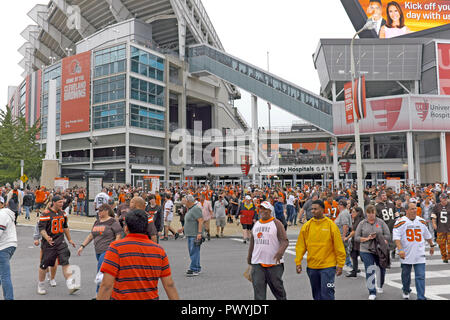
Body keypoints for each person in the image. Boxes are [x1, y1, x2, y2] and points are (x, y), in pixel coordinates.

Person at [97, 209, 179, 300]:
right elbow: (169, 284)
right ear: (146, 227)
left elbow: (106, 285)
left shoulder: (116, 248)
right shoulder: (159, 251)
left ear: (126, 228)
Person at [295, 200, 346, 300]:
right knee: (316, 294)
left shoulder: (331, 225)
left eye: (315, 209)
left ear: (322, 210)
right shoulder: (307, 226)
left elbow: (338, 246)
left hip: (328, 267)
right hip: (312, 267)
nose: (313, 211)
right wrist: (298, 261)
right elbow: (301, 245)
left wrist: (340, 264)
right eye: (312, 209)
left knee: (327, 293)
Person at [37, 195, 80, 295]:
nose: (62, 204)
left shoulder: (63, 213)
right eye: (60, 202)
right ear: (54, 202)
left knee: (65, 262)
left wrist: (70, 239)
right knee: (44, 265)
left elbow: (65, 227)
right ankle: (41, 285)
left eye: (63, 202)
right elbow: (41, 229)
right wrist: (47, 237)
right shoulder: (46, 214)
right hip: (49, 243)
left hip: (61, 242)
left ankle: (70, 284)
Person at [247, 201, 289, 300]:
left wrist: (280, 252)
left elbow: (284, 241)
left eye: (264, 208)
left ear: (270, 210)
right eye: (260, 208)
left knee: (278, 290)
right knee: (259, 293)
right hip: (258, 263)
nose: (262, 211)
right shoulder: (256, 224)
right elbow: (253, 243)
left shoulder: (276, 223)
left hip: (274, 264)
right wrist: (249, 259)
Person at [77, 204, 122, 295]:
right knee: (106, 272)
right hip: (98, 251)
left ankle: (99, 293)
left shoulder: (112, 222)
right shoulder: (97, 222)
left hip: (108, 250)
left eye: (101, 210)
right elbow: (91, 235)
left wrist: (114, 247)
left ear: (107, 211)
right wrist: (82, 246)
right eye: (98, 211)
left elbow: (119, 235)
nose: (99, 213)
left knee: (101, 272)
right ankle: (111, 291)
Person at [393, 202, 435, 300]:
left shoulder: (421, 221)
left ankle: (421, 297)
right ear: (406, 210)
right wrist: (400, 249)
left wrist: (431, 245)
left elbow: (427, 234)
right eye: (412, 209)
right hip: (406, 252)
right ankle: (406, 289)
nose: (414, 211)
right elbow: (396, 237)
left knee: (420, 276)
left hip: (419, 253)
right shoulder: (400, 222)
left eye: (415, 208)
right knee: (406, 275)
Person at [354, 205, 391, 300]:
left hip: (379, 249)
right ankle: (372, 291)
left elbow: (388, 234)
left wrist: (380, 237)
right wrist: (367, 238)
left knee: (381, 268)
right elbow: (356, 237)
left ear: (375, 213)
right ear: (366, 213)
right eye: (369, 213)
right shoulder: (362, 223)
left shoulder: (380, 222)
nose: (371, 215)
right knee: (370, 269)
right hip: (366, 250)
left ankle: (380, 284)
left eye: (372, 213)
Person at [177, 195, 204, 277]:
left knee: (194, 252)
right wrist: (183, 228)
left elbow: (200, 220)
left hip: (194, 234)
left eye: (184, 200)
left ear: (189, 201)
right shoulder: (191, 209)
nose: (183, 202)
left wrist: (199, 233)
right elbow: (190, 221)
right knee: (195, 251)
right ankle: (197, 267)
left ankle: (194, 269)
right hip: (191, 234)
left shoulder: (195, 209)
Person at [0, 202, 17, 300]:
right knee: (2, 273)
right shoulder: (6, 214)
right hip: (10, 244)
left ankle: (9, 298)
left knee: (5, 275)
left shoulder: (2, 214)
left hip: (3, 246)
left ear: (2, 204)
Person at [376, 191, 397, 258]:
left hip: (392, 225)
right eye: (383, 195)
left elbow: (396, 214)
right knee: (385, 243)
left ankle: (393, 250)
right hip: (384, 226)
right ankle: (386, 255)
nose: (384, 197)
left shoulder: (391, 205)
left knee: (394, 241)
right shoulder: (377, 206)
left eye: (385, 195)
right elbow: (376, 218)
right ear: (379, 197)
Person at [345, 207, 365, 277]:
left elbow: (354, 231)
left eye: (353, 212)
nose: (351, 213)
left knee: (363, 257)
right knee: (354, 255)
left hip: (360, 241)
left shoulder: (359, 220)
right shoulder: (355, 220)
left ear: (358, 213)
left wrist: (347, 238)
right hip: (355, 241)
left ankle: (370, 267)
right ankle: (355, 270)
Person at [334, 199, 353, 270]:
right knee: (343, 250)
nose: (338, 206)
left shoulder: (344, 213)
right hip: (340, 234)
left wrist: (344, 236)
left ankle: (347, 264)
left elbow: (345, 225)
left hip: (341, 234)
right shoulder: (343, 212)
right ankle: (346, 263)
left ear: (341, 205)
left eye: (339, 205)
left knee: (342, 250)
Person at [431, 193, 450, 263]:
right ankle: (444, 257)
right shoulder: (436, 206)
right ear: (440, 199)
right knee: (441, 244)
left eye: (446, 198)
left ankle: (449, 255)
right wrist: (434, 223)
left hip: (449, 228)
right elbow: (433, 215)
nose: (444, 200)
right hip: (440, 228)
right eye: (443, 198)